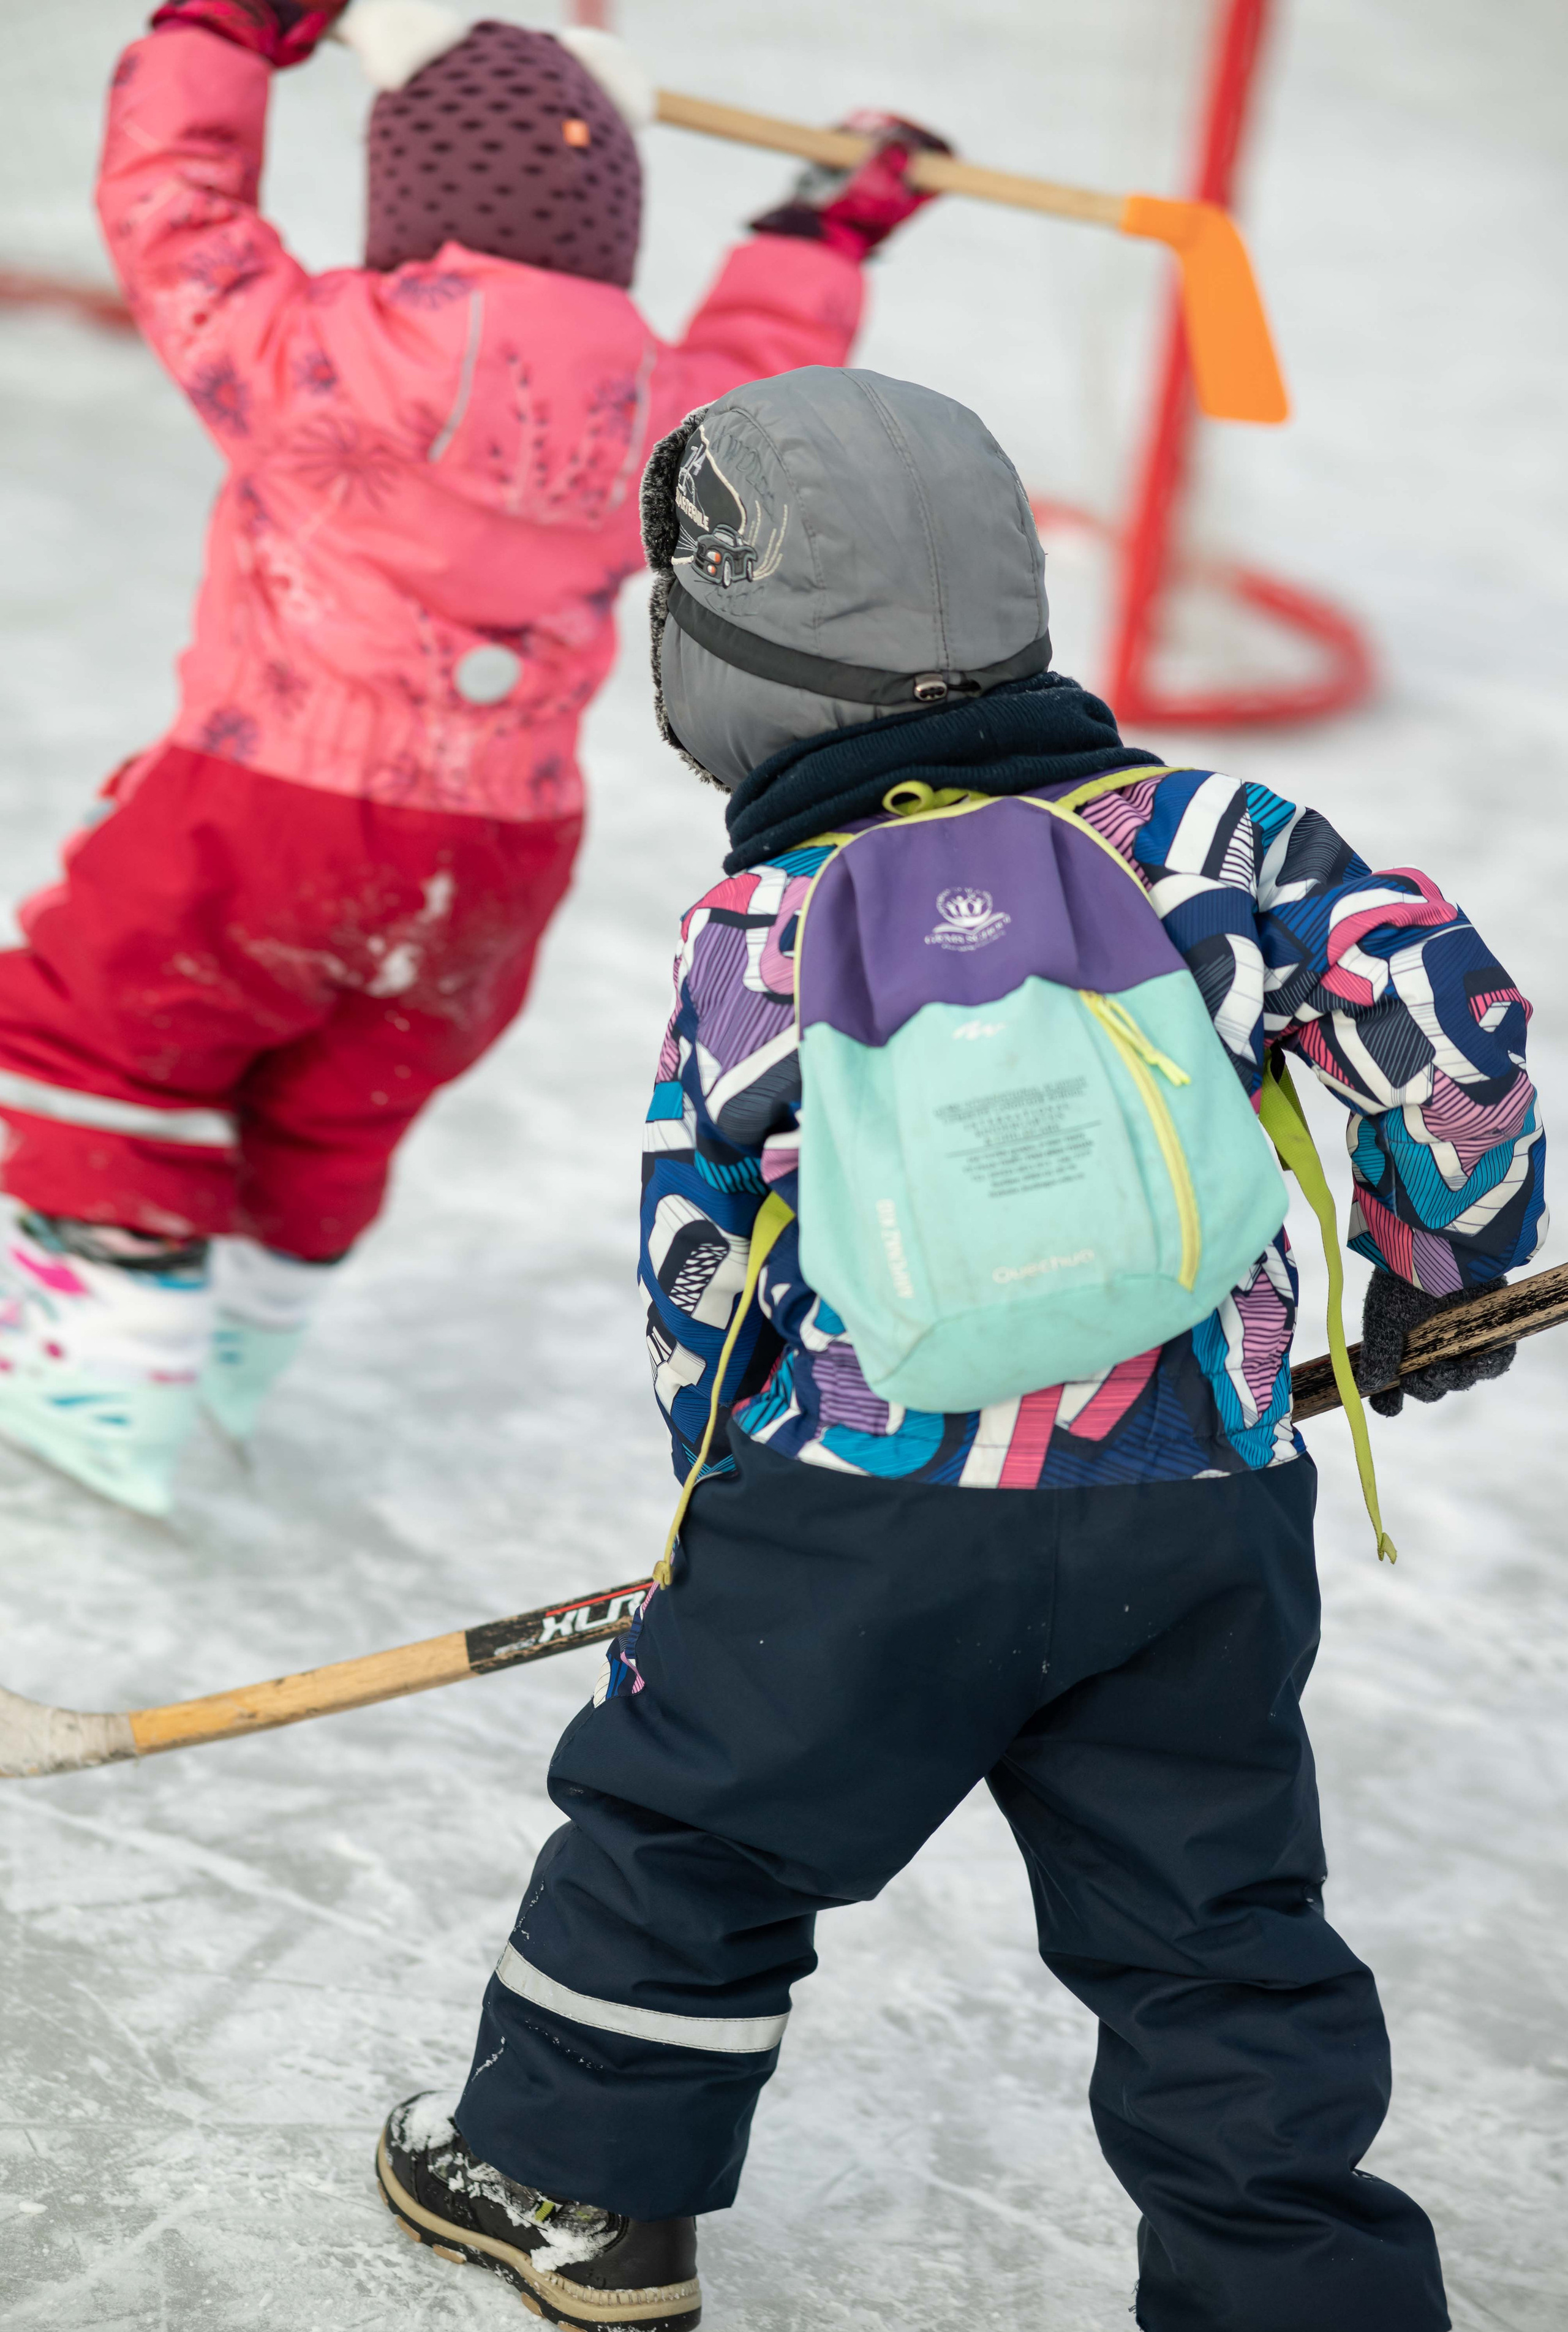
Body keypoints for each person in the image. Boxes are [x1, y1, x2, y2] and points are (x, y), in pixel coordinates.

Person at [373, 366, 1544, 2332]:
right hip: (1200, 1510)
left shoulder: (769, 917)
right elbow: (1449, 1029)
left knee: (692, 1842)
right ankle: (1298, 2303)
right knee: (1213, 1927)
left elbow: (705, 1248)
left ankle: (583, 2193)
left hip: (862, 1521)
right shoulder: (1225, 834)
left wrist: (728, 1500)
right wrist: (1441, 1271)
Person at [0, 0, 949, 1513]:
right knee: (342, 1095)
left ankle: (102, 1366)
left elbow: (170, 205)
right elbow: (763, 368)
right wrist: (823, 233)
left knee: (100, 1033)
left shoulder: (318, 349)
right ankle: (245, 1340)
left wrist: (221, 35)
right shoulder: (665, 406)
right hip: (497, 853)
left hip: (268, 807)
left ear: (408, 200)